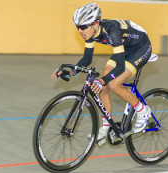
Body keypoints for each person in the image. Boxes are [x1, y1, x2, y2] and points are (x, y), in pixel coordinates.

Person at [51, 2, 152, 144]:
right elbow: (87, 59)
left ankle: (142, 111)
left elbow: (120, 67)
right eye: (78, 27)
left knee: (113, 84)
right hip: (124, 48)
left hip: (140, 48)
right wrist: (72, 71)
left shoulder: (112, 31)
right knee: (102, 84)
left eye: (83, 27)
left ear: (95, 24)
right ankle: (106, 126)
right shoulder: (90, 33)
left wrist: (102, 80)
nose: (80, 31)